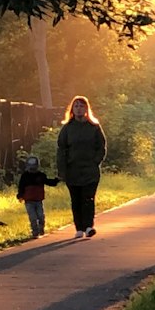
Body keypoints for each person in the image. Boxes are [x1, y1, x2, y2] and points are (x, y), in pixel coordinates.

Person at [56, 94, 106, 239]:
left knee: (88, 198)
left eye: (81, 106)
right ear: (72, 109)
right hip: (72, 170)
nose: (79, 109)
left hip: (90, 171)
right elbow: (61, 150)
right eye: (76, 106)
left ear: (86, 109)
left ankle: (89, 226)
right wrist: (62, 170)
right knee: (76, 199)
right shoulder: (67, 128)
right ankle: (79, 227)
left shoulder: (94, 127)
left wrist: (95, 161)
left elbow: (101, 147)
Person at [16, 154, 59, 239]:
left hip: (38, 201)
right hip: (28, 201)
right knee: (33, 217)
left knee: (41, 216)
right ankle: (35, 232)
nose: (32, 169)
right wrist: (20, 196)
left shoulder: (41, 175)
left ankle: (41, 229)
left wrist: (57, 180)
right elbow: (21, 186)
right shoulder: (25, 176)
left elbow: (49, 182)